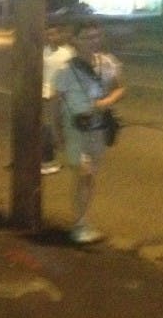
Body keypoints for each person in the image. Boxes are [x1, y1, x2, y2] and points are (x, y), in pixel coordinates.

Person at [51, 21, 126, 244]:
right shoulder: (65, 70)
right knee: (85, 174)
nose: (92, 41)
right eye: (86, 37)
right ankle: (79, 226)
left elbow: (121, 87)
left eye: (96, 36)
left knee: (89, 177)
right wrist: (57, 135)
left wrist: (106, 102)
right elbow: (55, 104)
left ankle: (82, 221)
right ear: (75, 40)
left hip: (98, 128)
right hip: (75, 129)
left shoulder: (107, 62)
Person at [41, 23, 74, 175]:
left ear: (59, 35)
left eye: (54, 34)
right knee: (47, 126)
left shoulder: (66, 53)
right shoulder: (42, 52)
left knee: (58, 126)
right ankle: (47, 161)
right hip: (45, 94)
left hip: (62, 94)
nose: (51, 37)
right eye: (48, 34)